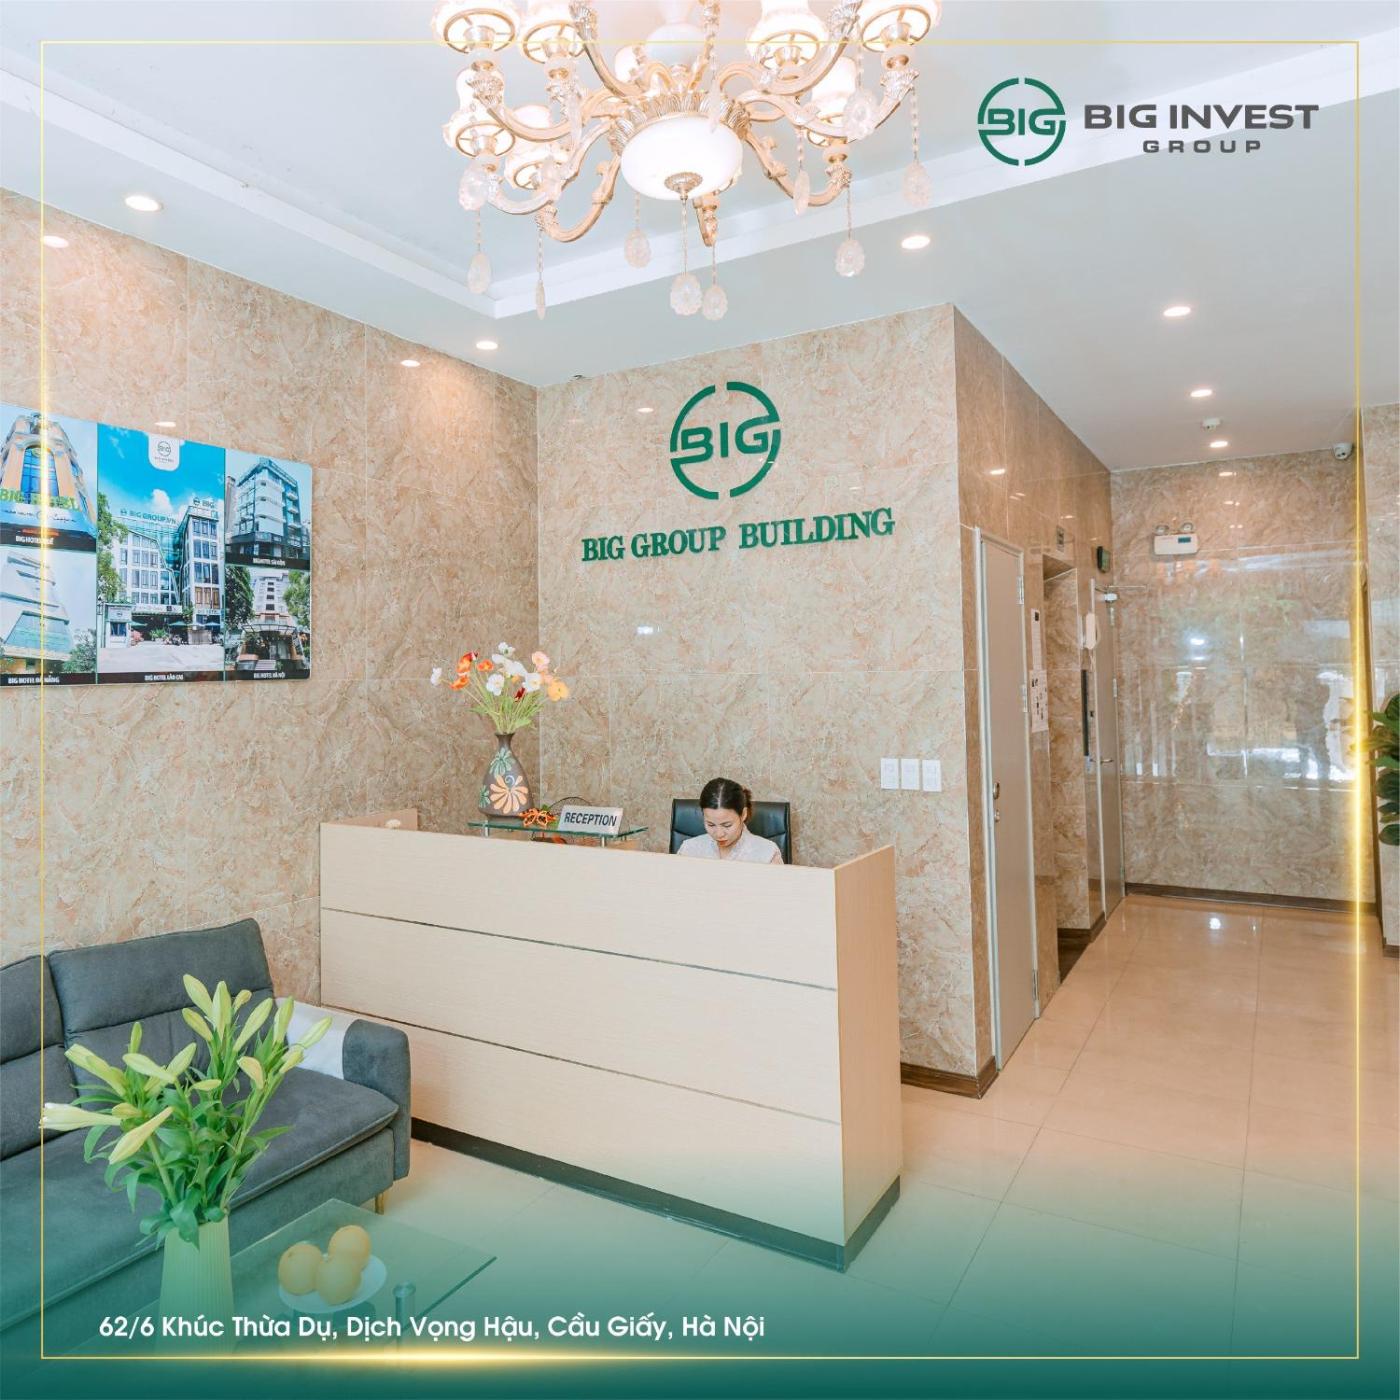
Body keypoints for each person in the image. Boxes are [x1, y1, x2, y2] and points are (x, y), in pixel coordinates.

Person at [676, 777, 783, 864]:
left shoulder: (767, 853)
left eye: (727, 825)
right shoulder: (688, 850)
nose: (719, 834)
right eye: (711, 824)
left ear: (743, 814)